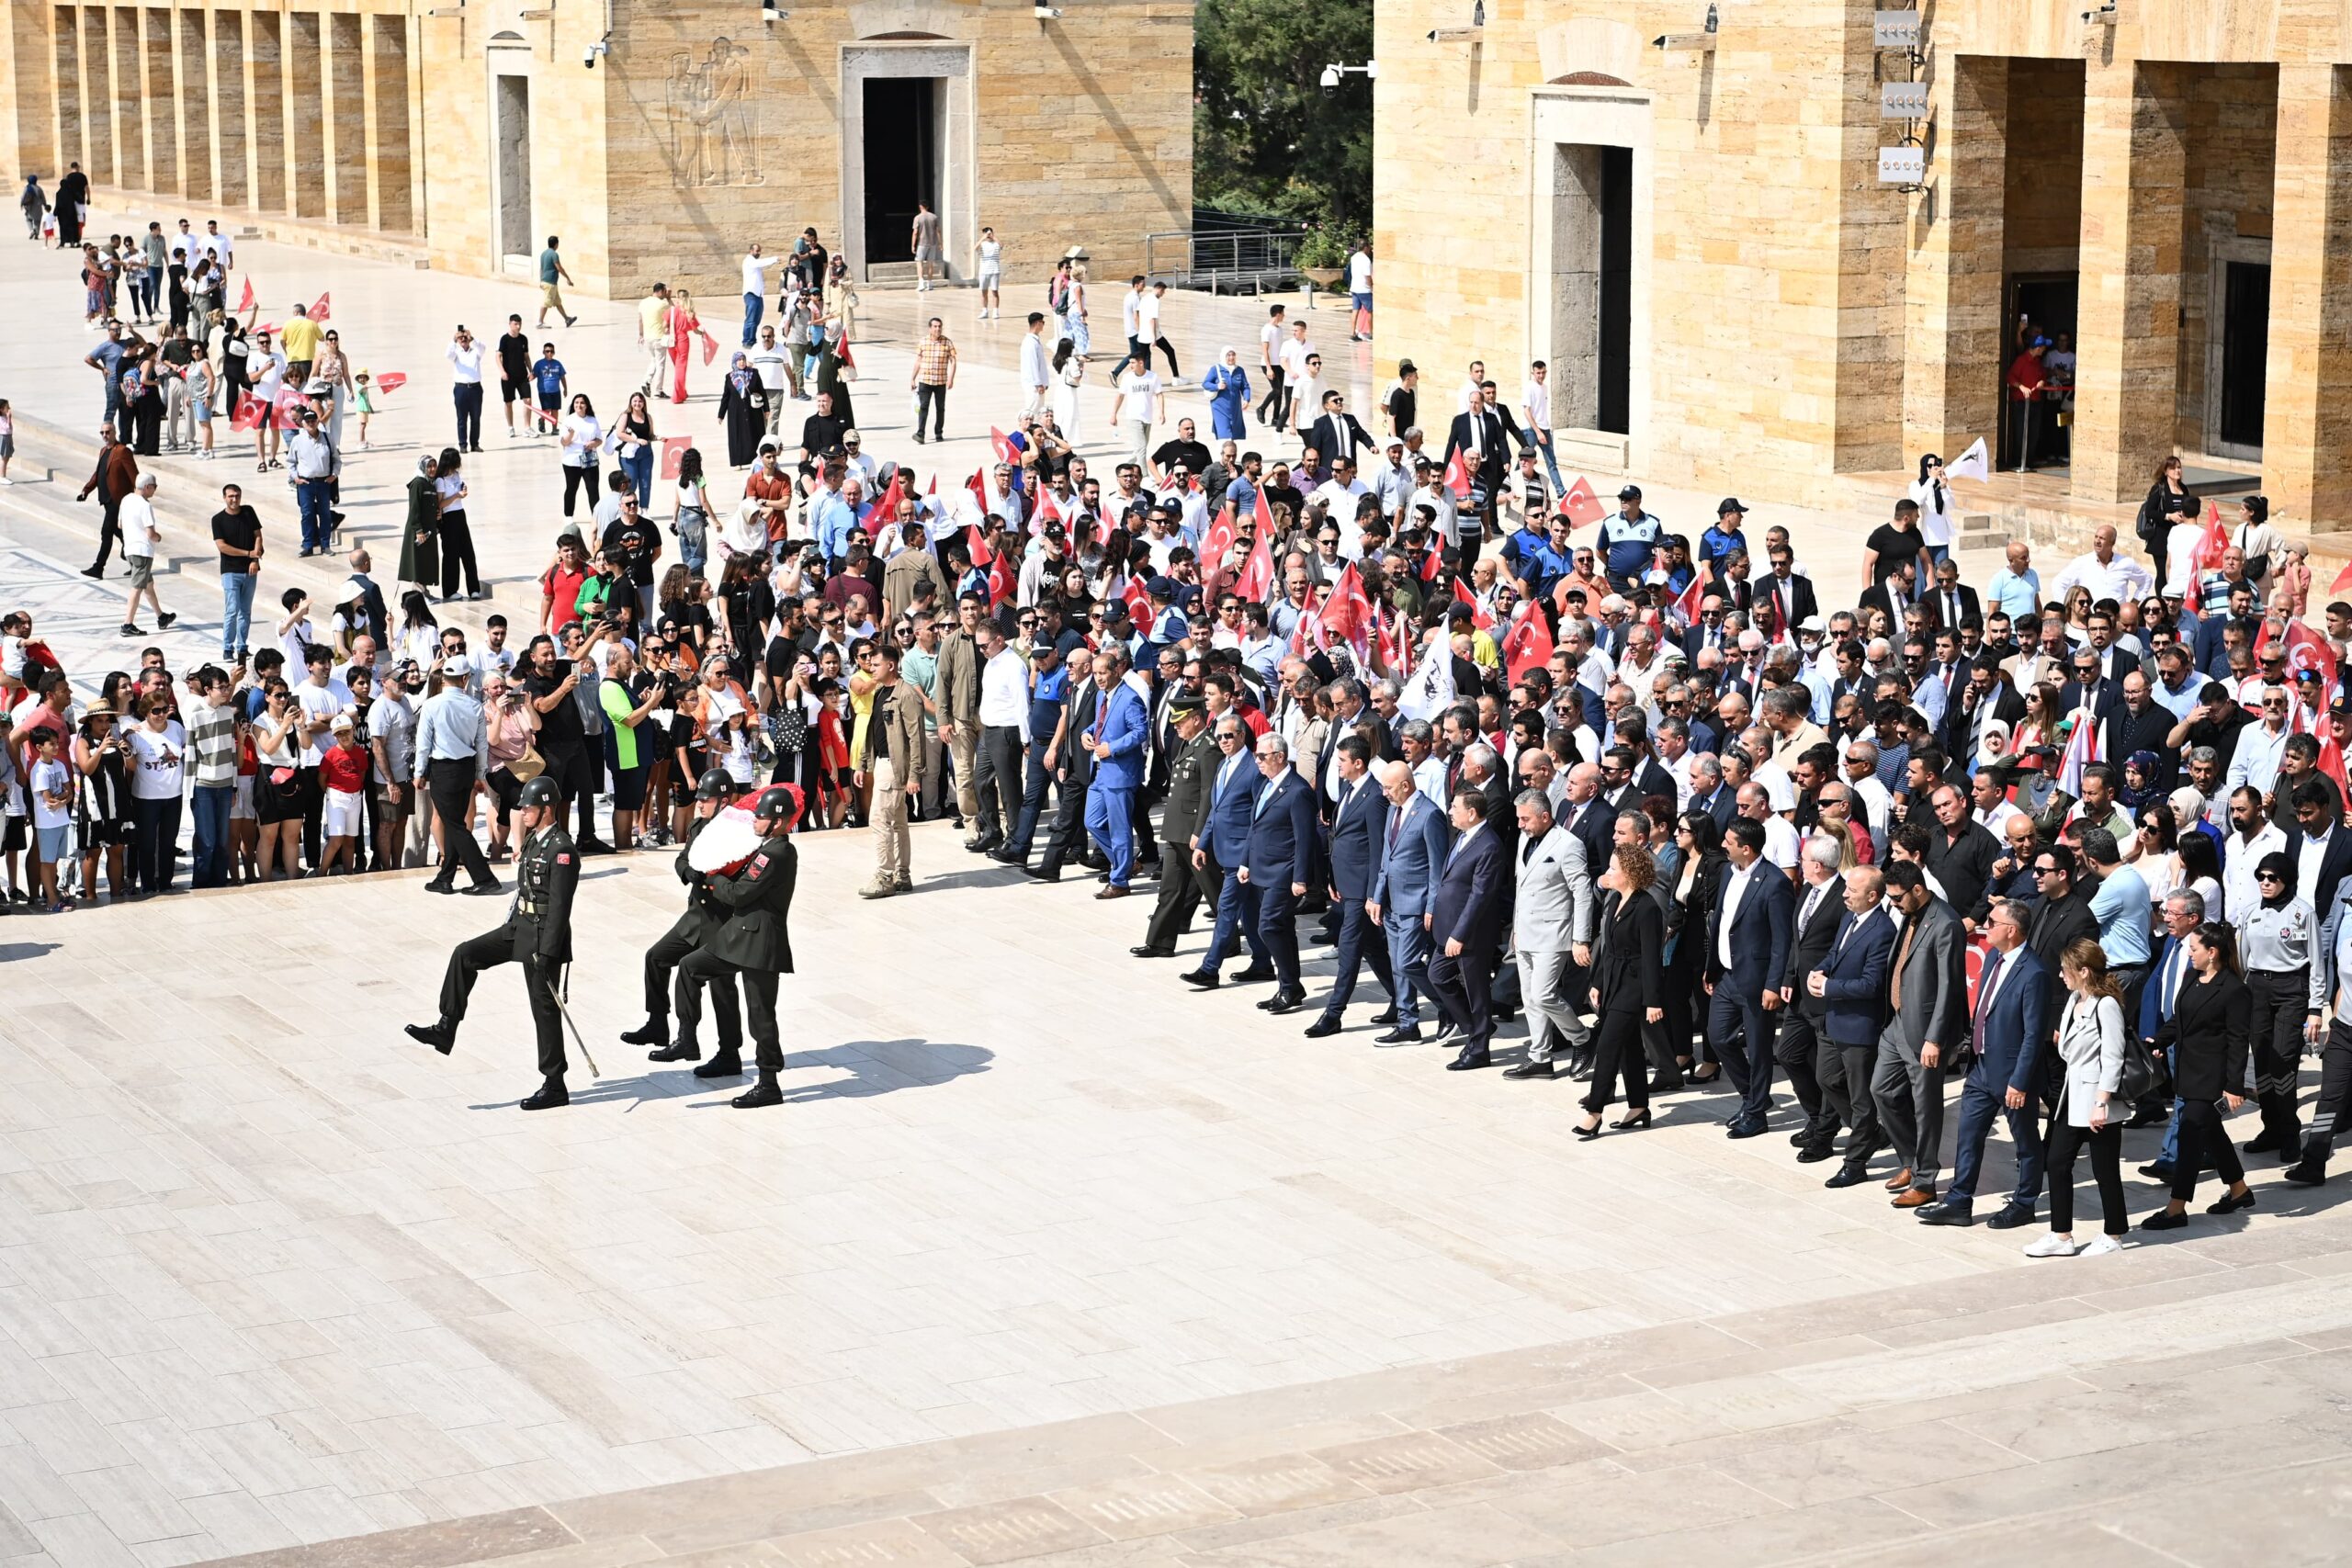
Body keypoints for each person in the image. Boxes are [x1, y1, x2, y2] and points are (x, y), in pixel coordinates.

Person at [404, 774, 579, 1111]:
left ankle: (555, 1084)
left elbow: (560, 907)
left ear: (546, 809)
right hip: (519, 926)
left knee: (544, 1010)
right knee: (465, 954)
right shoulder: (533, 840)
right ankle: (446, 1026)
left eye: (528, 807)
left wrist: (548, 951)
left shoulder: (561, 850)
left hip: (543, 936)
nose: (523, 812)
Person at [1917, 898, 2048, 1229]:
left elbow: (2033, 1035)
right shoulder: (1992, 958)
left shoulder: (2034, 973)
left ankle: (2024, 1203)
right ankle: (1959, 1202)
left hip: (2013, 1075)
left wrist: (2019, 1081)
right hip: (1981, 1067)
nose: (1985, 926)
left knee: (2026, 1141)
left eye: (1993, 921)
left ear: (2012, 930)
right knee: (1968, 1134)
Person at [683, 784, 799, 1108]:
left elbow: (739, 894)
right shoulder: (765, 848)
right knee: (691, 966)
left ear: (777, 821)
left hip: (762, 943)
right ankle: (686, 1036)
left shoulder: (777, 853)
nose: (754, 821)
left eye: (760, 817)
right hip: (741, 937)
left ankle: (769, 1083)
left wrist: (711, 876)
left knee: (761, 1014)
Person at [621, 772, 741, 1061]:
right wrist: (688, 871)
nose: (700, 804)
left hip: (721, 922)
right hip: (695, 918)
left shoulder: (739, 834)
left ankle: (728, 1053)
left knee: (721, 987)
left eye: (707, 799)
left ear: (724, 802)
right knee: (656, 957)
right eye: (699, 799)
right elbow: (683, 858)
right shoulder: (699, 825)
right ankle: (658, 1024)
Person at [2145, 923, 2257, 1228]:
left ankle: (2176, 1208)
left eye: (2194, 949)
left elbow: (2238, 1041)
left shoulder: (2235, 990)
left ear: (2212, 952)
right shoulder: (2194, 978)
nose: (2189, 953)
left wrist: (2234, 1086)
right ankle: (2239, 1191)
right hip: (2187, 1074)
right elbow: (2179, 1021)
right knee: (2210, 1132)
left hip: (2213, 1081)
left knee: (2192, 1134)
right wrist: (2158, 1039)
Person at [2030, 938, 2132, 1256]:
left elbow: (2114, 1056)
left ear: (2084, 971)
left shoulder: (2107, 1005)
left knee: (2105, 1170)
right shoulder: (2075, 1000)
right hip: (2072, 1097)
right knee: (2057, 1162)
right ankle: (2061, 1236)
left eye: (2066, 969)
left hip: (2096, 1102)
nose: (2061, 975)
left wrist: (2102, 1102)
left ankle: (2114, 1235)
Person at [1874, 860, 1967, 1207]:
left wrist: (1935, 1038)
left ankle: (1926, 1180)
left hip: (1926, 1031)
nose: (1893, 905)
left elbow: (1950, 987)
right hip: (1898, 1021)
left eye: (1897, 898)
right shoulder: (1909, 915)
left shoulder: (1946, 924)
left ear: (1917, 889)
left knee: (1926, 1107)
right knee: (1880, 1090)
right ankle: (1910, 1161)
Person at [1304, 734, 1397, 1035]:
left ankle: (1334, 1013)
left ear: (1358, 763)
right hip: (1345, 886)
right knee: (1371, 946)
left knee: (1348, 948)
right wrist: (1332, 879)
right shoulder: (1349, 788)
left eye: (1342, 761)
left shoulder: (1374, 797)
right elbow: (1341, 837)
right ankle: (1401, 997)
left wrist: (1374, 894)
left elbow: (1377, 850)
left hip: (1362, 890)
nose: (1338, 766)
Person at [1706, 817, 1793, 1135]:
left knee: (1758, 1050)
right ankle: (1753, 1097)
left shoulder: (1774, 883)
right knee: (1717, 1038)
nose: (1723, 845)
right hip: (1727, 976)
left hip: (1757, 981)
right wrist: (1712, 967)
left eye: (1729, 841)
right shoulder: (1729, 873)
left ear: (1746, 848)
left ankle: (1755, 1114)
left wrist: (1774, 984)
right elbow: (1722, 924)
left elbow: (1783, 940)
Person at [1500, 788, 1592, 1077]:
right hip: (1526, 931)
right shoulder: (1524, 839)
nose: (1520, 824)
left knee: (1543, 994)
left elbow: (1582, 892)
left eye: (1525, 819)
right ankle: (1540, 1057)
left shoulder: (1569, 844)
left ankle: (1582, 1039)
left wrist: (1581, 938)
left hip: (1555, 932)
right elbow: (1522, 888)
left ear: (1545, 816)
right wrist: (1515, 930)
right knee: (1529, 997)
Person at [1428, 785, 1509, 1068]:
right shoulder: (1464, 836)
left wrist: (1459, 934)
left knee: (1477, 991)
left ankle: (1479, 1050)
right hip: (1447, 926)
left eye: (1455, 808)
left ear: (1472, 813)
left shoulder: (1488, 845)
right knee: (1437, 976)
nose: (1450, 812)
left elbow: (1480, 895)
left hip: (1470, 933)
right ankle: (1478, 1029)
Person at [413, 653, 503, 897]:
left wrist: (419, 771)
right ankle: (445, 877)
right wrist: (480, 773)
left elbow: (424, 743)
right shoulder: (474, 706)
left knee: (453, 824)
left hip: (443, 769)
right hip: (466, 768)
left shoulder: (432, 705)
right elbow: (481, 744)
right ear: (465, 679)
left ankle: (484, 878)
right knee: (455, 823)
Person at [1134, 697, 1216, 958]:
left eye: (1180, 721)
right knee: (1170, 889)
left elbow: (1208, 794)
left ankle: (1231, 939)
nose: (1176, 727)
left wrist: (1200, 832)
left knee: (1215, 891)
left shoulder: (1209, 748)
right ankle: (1159, 942)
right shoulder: (1188, 743)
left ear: (1196, 718)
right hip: (1176, 829)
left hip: (1192, 832)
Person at [855, 639, 928, 897]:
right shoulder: (880, 692)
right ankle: (901, 874)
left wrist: (914, 774)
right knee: (898, 822)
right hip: (882, 762)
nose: (871, 668)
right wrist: (863, 764)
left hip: (894, 766)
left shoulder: (905, 694)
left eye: (876, 664)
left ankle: (884, 876)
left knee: (879, 819)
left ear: (891, 665)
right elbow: (874, 731)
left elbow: (915, 737)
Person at [117, 473, 175, 637]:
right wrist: (159, 537)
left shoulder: (126, 499)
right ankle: (127, 624)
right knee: (137, 587)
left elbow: (120, 524)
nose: (155, 490)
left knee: (148, 584)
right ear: (147, 486)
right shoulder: (144, 505)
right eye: (154, 487)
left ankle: (161, 617)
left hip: (130, 549)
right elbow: (150, 534)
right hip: (143, 551)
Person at [910, 316, 956, 443]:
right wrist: (913, 378)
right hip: (925, 380)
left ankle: (939, 432)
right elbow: (918, 361)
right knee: (923, 407)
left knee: (940, 408)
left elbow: (953, 361)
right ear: (930, 328)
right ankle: (920, 433)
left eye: (940, 326)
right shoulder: (923, 342)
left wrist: (951, 379)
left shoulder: (947, 342)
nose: (938, 329)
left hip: (941, 381)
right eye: (935, 326)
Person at [446, 324, 486, 452]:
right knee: (462, 418)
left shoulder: (476, 352)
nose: (463, 340)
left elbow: (482, 348)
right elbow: (447, 354)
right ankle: (463, 445)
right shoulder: (456, 353)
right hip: (461, 389)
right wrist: (453, 339)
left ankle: (475, 444)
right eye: (460, 339)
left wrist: (471, 337)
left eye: (465, 338)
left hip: (475, 388)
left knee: (475, 418)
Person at [537, 235, 577, 328]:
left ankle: (567, 319)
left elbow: (541, 268)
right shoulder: (554, 254)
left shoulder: (543, 253)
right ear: (556, 244)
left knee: (557, 302)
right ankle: (540, 322)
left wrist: (541, 280)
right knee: (546, 302)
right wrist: (568, 278)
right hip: (550, 283)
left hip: (545, 281)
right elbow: (559, 268)